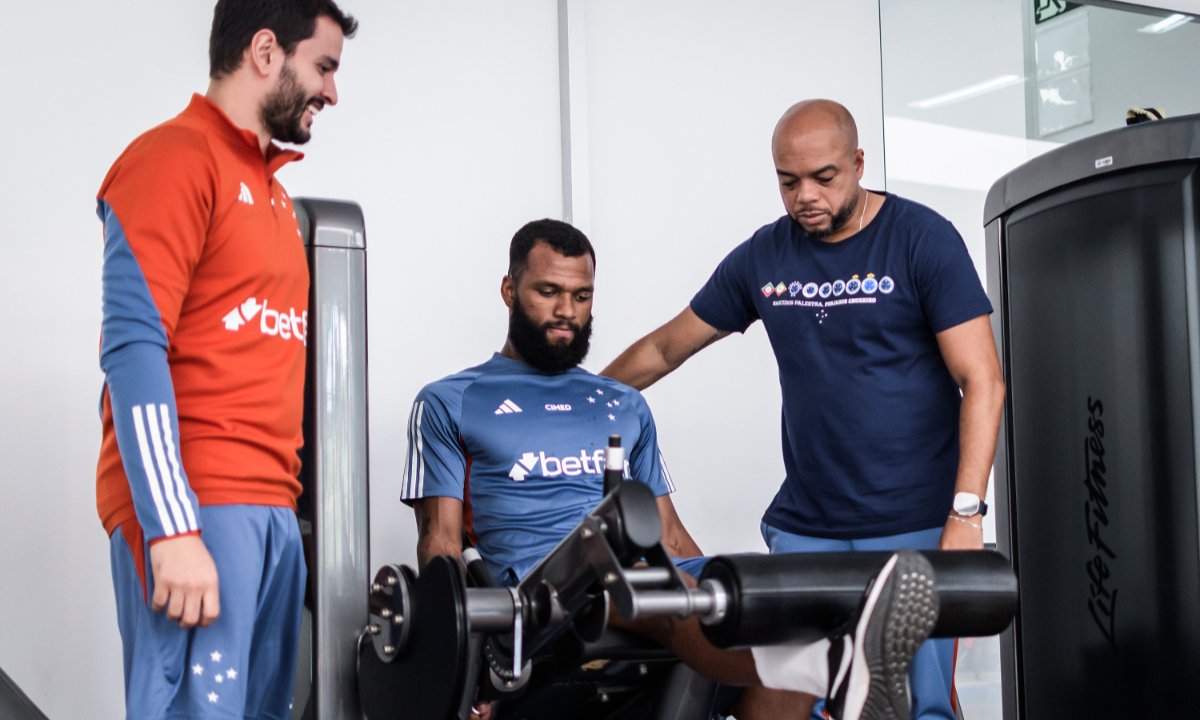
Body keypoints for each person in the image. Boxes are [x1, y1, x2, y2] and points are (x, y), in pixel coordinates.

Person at [401, 218, 940, 720]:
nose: (567, 310)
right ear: (509, 291)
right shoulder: (452, 400)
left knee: (771, 591)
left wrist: (737, 591)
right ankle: (833, 670)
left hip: (639, 579)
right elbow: (441, 544)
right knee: (651, 588)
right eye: (549, 292)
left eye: (581, 296)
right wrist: (458, 670)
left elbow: (670, 536)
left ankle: (831, 664)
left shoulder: (620, 402)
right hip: (540, 601)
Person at [602, 99, 1006, 720]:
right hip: (807, 528)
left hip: (916, 524)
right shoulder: (765, 257)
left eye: (824, 177)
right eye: (788, 182)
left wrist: (966, 515)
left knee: (915, 708)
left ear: (858, 164)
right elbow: (663, 348)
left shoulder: (920, 238)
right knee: (802, 694)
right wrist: (579, 401)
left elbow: (983, 380)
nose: (805, 196)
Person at [95, 2, 356, 717]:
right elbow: (131, 347)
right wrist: (173, 527)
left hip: (270, 509)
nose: (332, 92)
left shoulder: (272, 195)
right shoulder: (174, 157)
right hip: (199, 503)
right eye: (324, 66)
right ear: (266, 51)